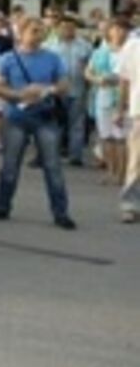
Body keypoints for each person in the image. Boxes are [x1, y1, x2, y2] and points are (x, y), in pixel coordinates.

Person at [0, 17, 75, 229]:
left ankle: (60, 212)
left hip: (45, 116)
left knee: (53, 166)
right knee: (10, 165)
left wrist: (47, 90)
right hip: (16, 117)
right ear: (22, 33)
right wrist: (19, 95)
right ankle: (2, 206)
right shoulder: (8, 58)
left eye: (41, 31)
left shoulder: (52, 58)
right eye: (34, 31)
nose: (38, 35)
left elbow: (64, 84)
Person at [86, 19, 129, 189]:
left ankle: (122, 173)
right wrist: (98, 79)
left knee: (121, 138)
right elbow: (88, 72)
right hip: (103, 96)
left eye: (122, 29)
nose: (118, 33)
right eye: (115, 29)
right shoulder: (100, 52)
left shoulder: (130, 51)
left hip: (123, 98)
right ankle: (111, 171)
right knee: (106, 137)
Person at [45, 13, 92, 167]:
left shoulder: (85, 46)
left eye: (71, 27)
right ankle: (53, 154)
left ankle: (75, 156)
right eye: (64, 27)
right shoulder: (50, 46)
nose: (67, 30)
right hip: (56, 90)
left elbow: (90, 67)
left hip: (78, 89)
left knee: (77, 123)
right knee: (55, 123)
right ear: (58, 28)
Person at [117, 29, 140, 223]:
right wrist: (120, 108)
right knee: (137, 160)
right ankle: (130, 204)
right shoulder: (133, 44)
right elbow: (124, 80)